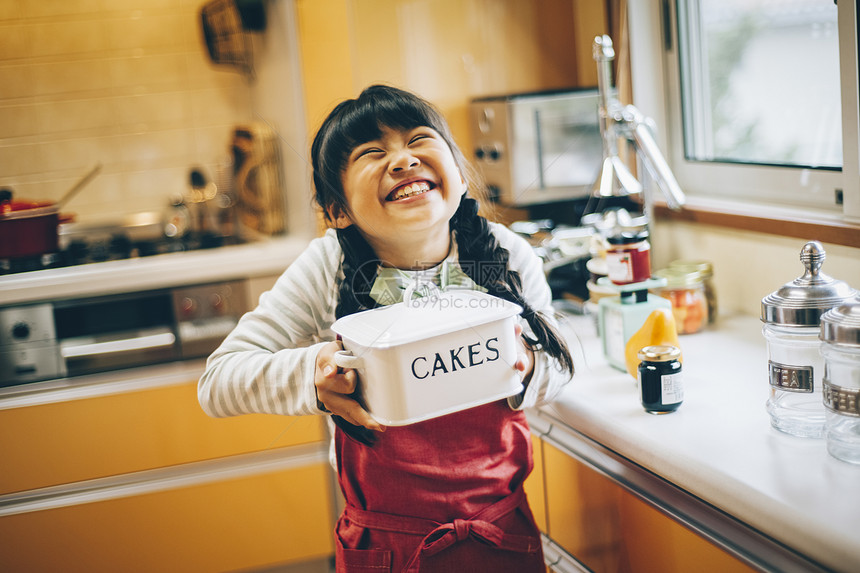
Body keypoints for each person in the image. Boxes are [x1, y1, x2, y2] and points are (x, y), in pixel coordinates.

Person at [198, 84, 575, 572]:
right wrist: (313, 371)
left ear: (458, 173)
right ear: (337, 211)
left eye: (419, 139)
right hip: (389, 551)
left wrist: (525, 367)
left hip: (502, 538)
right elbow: (218, 381)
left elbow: (558, 365)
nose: (402, 160)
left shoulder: (506, 255)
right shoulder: (327, 267)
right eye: (372, 153)